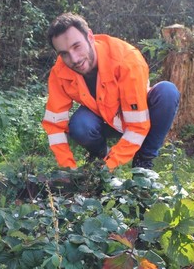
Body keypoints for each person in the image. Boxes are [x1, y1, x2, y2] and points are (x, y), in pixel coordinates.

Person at [42, 13, 180, 171]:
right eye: (64, 53)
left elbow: (137, 126)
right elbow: (54, 126)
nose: (74, 59)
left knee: (167, 93)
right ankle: (100, 155)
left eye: (77, 46)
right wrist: (68, 168)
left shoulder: (127, 59)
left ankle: (144, 160)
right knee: (80, 125)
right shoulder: (59, 72)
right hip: (102, 117)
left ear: (90, 37)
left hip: (137, 114)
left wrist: (110, 166)